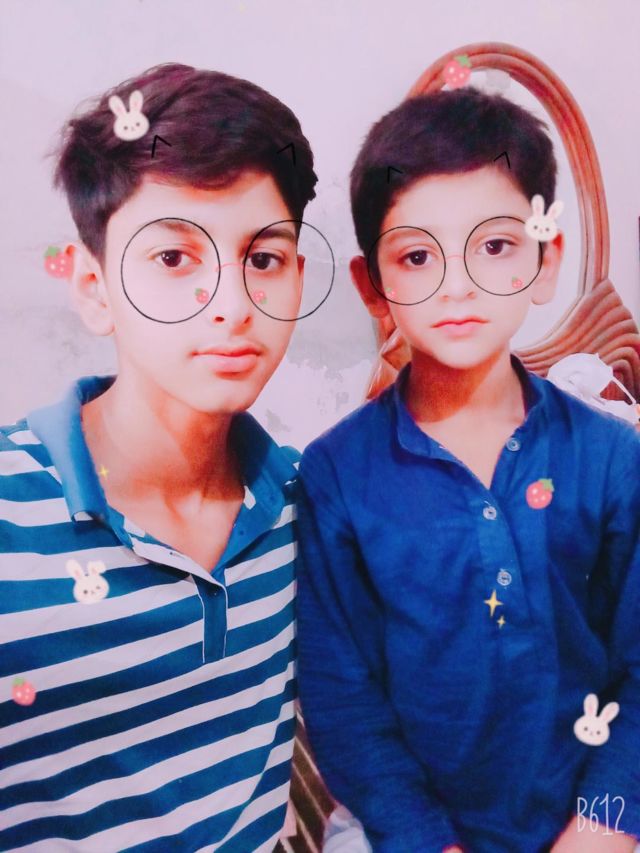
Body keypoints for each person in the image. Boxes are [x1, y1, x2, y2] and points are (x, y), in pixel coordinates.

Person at [295, 87, 640, 852]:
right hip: (407, 833)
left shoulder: (612, 457)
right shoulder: (334, 476)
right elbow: (344, 699)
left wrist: (605, 824)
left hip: (598, 825)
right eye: (418, 256)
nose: (457, 284)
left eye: (495, 246)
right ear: (373, 286)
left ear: (547, 260)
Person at [0, 61, 318, 851]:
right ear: (93, 286)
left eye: (263, 259)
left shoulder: (303, 507)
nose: (233, 306)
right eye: (174, 258)